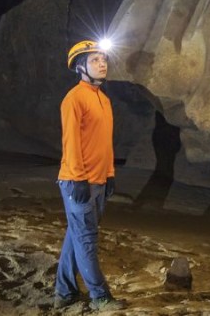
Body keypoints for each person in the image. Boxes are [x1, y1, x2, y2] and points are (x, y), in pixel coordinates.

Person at [54, 39, 126, 311]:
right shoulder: (74, 99)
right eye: (95, 60)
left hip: (98, 180)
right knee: (86, 239)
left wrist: (109, 174)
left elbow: (104, 143)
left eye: (103, 59)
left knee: (76, 236)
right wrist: (78, 178)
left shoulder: (104, 100)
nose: (102, 63)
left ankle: (64, 292)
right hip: (78, 181)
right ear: (80, 67)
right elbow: (70, 142)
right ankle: (100, 296)